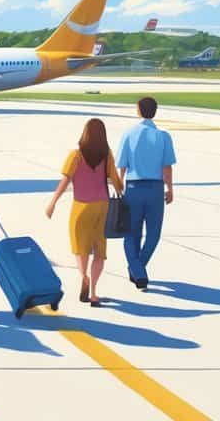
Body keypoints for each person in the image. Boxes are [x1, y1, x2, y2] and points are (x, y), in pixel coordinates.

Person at [45, 118, 123, 306]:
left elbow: (65, 180)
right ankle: (94, 292)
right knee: (99, 249)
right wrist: (122, 190)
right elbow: (115, 180)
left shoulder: (76, 155)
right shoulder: (107, 155)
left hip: (81, 206)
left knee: (81, 248)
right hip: (102, 205)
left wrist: (53, 201)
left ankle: (83, 276)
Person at [116, 96, 176, 290]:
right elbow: (167, 166)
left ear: (139, 110)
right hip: (156, 189)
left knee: (131, 233)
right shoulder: (164, 136)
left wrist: (119, 187)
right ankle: (139, 267)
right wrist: (170, 188)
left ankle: (137, 268)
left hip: (133, 188)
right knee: (154, 234)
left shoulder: (129, 134)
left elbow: (122, 166)